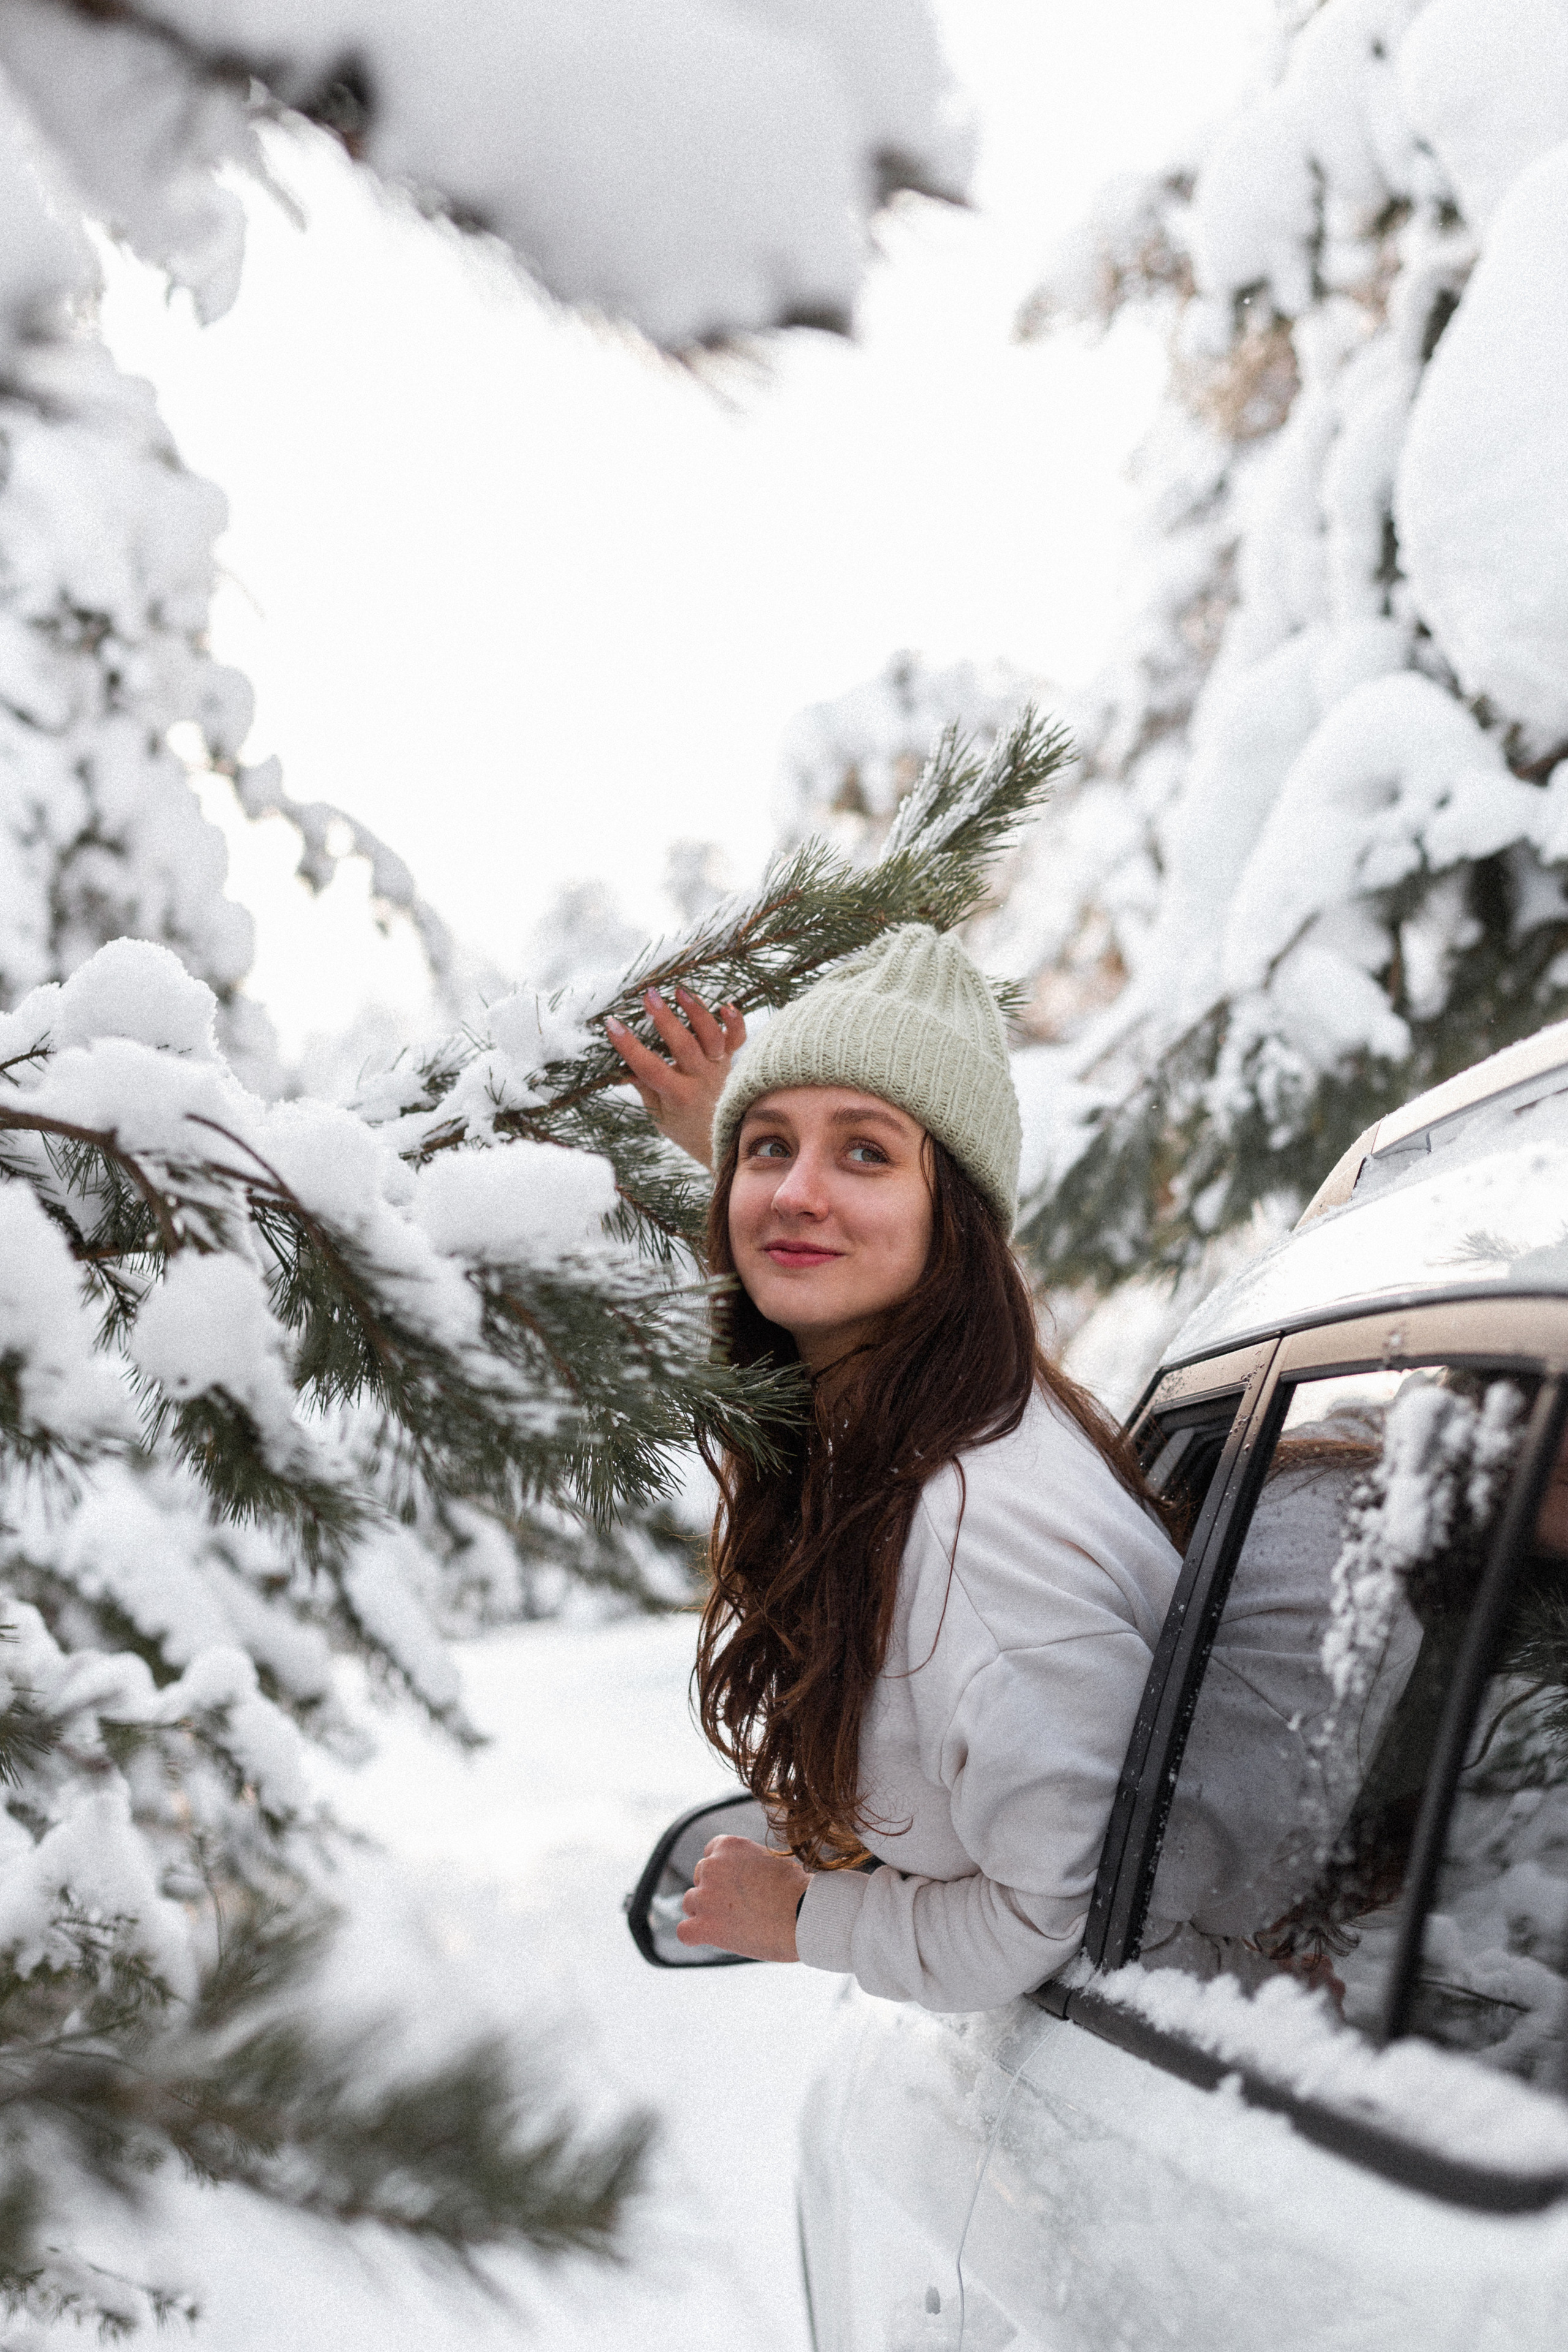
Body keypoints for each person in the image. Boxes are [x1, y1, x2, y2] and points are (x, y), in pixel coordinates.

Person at [606, 925, 1182, 2011]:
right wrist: (742, 1140)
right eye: (768, 1150)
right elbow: (794, 1258)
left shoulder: (980, 1540)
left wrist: (806, 1917)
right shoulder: (921, 1422)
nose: (792, 1194)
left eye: (865, 1152)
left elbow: (1061, 1913)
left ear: (952, 1219)